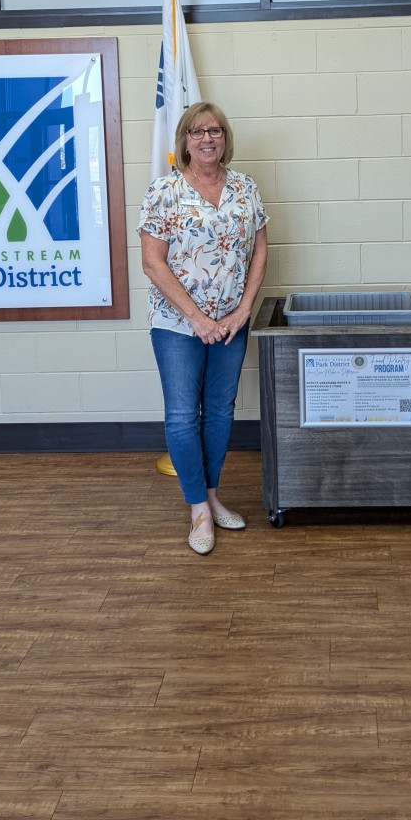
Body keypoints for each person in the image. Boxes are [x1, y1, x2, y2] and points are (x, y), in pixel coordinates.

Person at [139, 102, 268, 555]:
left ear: (224, 138)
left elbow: (260, 250)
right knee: (181, 414)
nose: (207, 138)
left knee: (219, 411)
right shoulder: (164, 191)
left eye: (215, 131)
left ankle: (212, 497)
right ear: (185, 141)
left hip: (232, 323)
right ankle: (196, 508)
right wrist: (198, 319)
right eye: (197, 132)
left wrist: (243, 310)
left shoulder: (245, 188)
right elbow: (152, 262)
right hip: (177, 324)